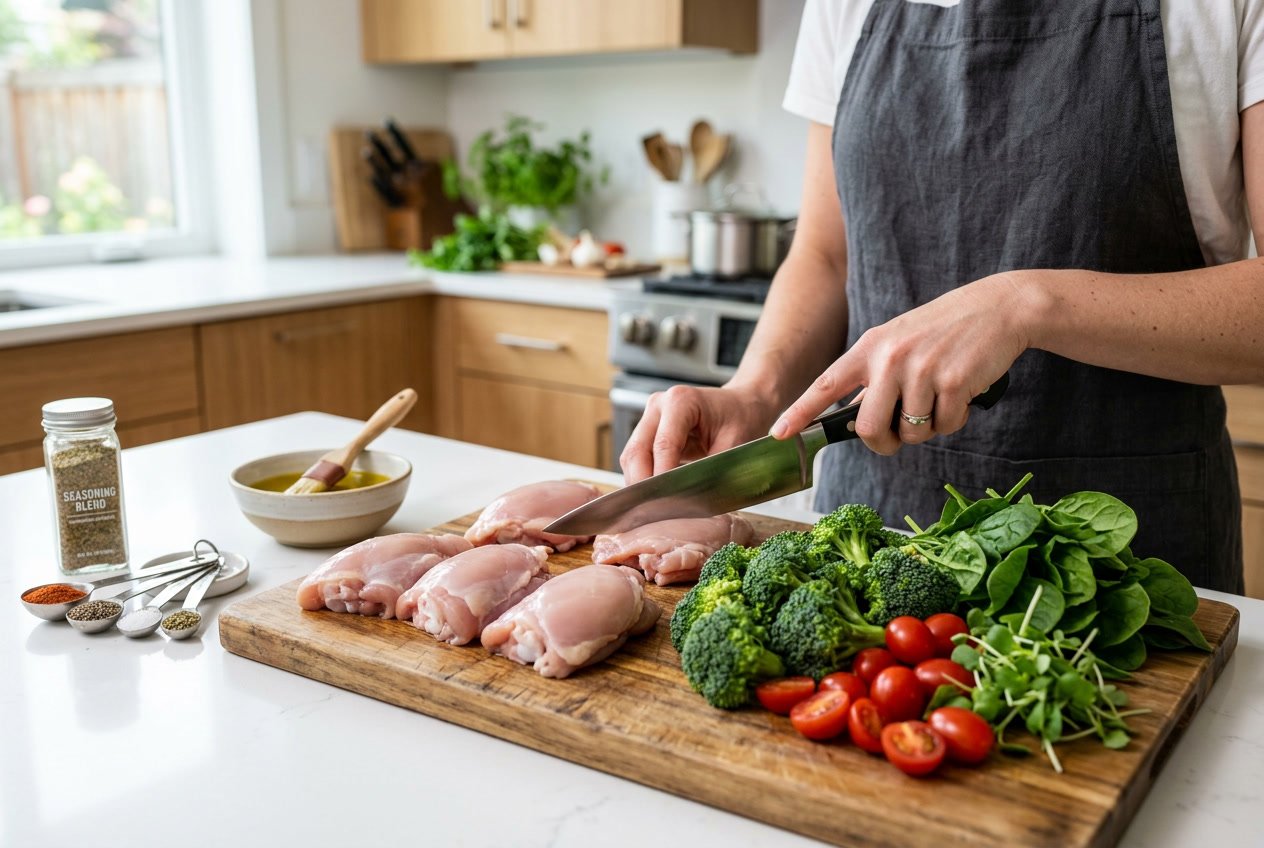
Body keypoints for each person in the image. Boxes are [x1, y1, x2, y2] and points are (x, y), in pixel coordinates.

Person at [620, 0, 1264, 594]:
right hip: (870, 535)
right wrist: (755, 393)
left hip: (1124, 566)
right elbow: (827, 254)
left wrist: (1026, 304)